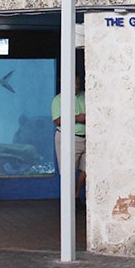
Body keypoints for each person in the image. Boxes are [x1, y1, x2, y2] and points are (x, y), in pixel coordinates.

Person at [52, 73, 86, 202]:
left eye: (78, 84)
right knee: (68, 171)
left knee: (87, 169)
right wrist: (78, 118)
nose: (76, 87)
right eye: (73, 84)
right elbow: (57, 120)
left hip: (87, 139)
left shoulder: (85, 96)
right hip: (69, 138)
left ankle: (76, 194)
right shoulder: (58, 100)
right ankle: (69, 201)